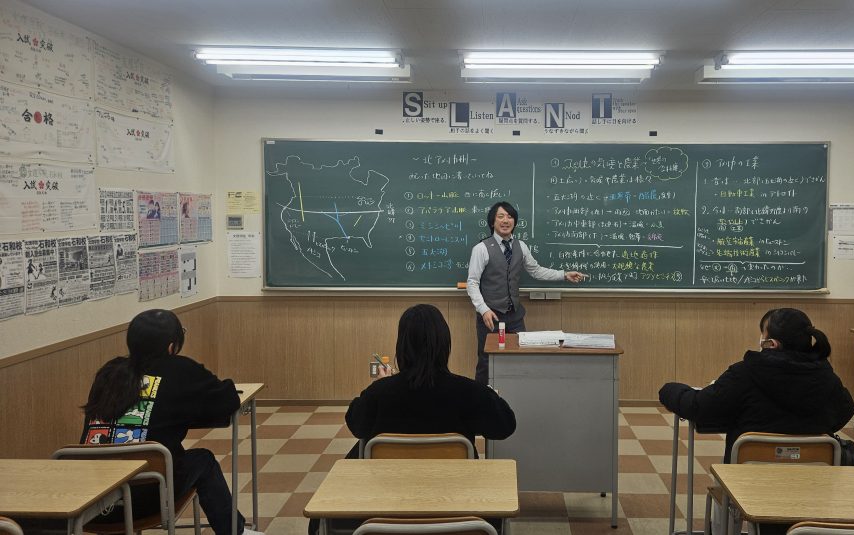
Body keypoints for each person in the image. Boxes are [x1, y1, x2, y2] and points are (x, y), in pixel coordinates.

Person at [309, 304, 517, 535]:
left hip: (385, 507)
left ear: (402, 346)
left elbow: (356, 424)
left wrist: (381, 385)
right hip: (458, 506)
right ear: (445, 345)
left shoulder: (381, 393)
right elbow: (505, 426)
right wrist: (488, 396)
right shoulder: (469, 392)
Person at [80, 309, 261, 535]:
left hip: (93, 501)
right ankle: (234, 531)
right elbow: (227, 400)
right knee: (203, 460)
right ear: (171, 346)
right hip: (146, 500)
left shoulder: (109, 373)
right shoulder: (179, 369)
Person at [659, 308, 854, 463]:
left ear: (771, 343)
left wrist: (669, 389)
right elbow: (843, 413)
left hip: (745, 486)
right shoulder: (826, 376)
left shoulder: (745, 373)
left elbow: (698, 407)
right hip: (814, 483)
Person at [466, 201, 586, 382]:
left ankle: (513, 396)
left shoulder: (521, 246)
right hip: (491, 317)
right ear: (492, 222)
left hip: (515, 317)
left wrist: (564, 275)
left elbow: (536, 271)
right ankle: (481, 398)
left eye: (510, 217)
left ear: (514, 221)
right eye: (500, 216)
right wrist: (483, 310)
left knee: (519, 358)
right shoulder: (481, 249)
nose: (505, 220)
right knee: (486, 361)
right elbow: (472, 283)